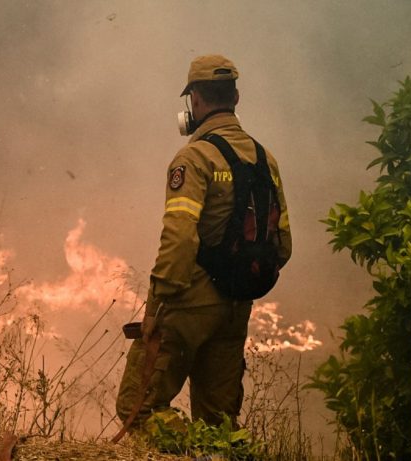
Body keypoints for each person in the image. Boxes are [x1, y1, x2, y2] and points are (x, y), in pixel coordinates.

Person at [115, 54, 292, 431]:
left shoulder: (194, 158)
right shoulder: (266, 159)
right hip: (237, 306)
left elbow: (179, 237)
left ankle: (175, 451)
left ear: (194, 100)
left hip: (188, 302)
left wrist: (158, 303)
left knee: (138, 409)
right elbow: (284, 244)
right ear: (236, 97)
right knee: (218, 424)